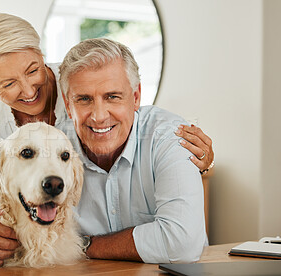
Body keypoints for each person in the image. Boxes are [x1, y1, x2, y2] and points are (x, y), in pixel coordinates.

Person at [0, 13, 213, 268]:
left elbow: (181, 241)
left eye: (33, 70)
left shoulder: (94, 104)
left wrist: (80, 245)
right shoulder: (8, 125)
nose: (28, 90)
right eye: (8, 84)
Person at [58, 38, 206, 261]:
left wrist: (83, 246)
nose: (99, 116)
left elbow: (181, 243)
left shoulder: (169, 136)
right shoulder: (50, 147)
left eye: (112, 97)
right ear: (68, 105)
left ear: (136, 97)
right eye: (84, 99)